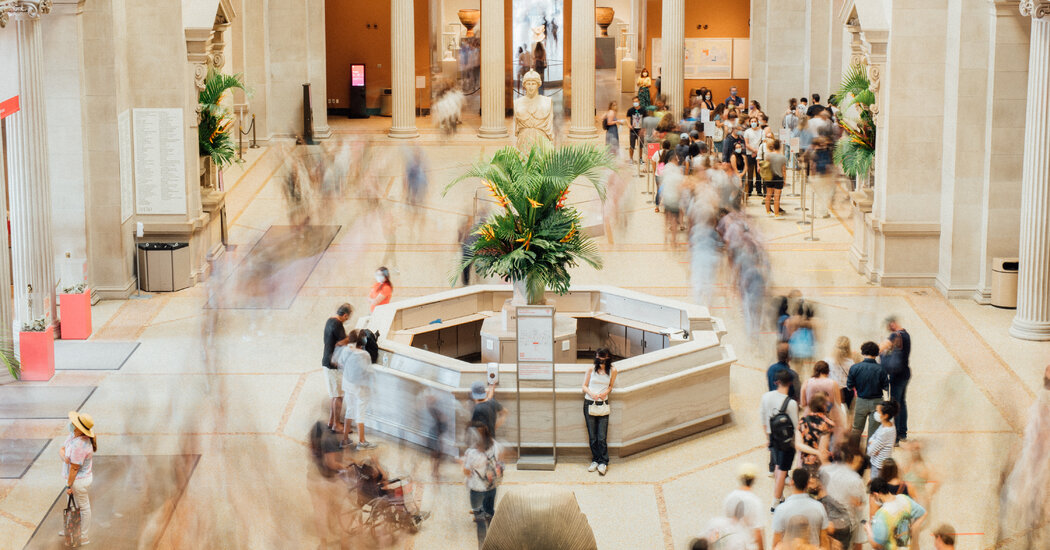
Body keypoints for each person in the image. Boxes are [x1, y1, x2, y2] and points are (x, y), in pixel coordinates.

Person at [820, 439, 868, 550]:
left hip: (827, 520)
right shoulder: (855, 479)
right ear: (851, 459)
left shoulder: (825, 470)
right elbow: (860, 505)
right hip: (845, 523)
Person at [463, 424, 505, 549]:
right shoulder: (497, 446)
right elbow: (501, 463)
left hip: (477, 490)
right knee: (490, 514)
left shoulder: (472, 453)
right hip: (492, 487)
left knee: (480, 520)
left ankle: (482, 546)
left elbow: (467, 472)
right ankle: (494, 544)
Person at [762, 369, 800, 510]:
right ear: (790, 383)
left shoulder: (766, 397)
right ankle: (775, 502)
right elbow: (796, 426)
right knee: (783, 470)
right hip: (786, 441)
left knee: (778, 466)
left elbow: (763, 419)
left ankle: (780, 496)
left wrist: (767, 437)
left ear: (776, 382)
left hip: (773, 437)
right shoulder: (791, 403)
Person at [59, 412, 97, 544]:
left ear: (80, 428)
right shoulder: (73, 436)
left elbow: (74, 469)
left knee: (83, 507)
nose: (72, 424)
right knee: (73, 504)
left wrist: (69, 486)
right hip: (75, 479)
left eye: (74, 423)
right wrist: (65, 458)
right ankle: (71, 529)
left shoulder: (80, 445)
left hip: (78, 481)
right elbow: (62, 449)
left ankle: (84, 536)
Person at [338, 329, 377, 449]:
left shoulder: (346, 350)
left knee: (350, 409)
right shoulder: (364, 354)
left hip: (347, 384)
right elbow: (368, 371)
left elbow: (340, 363)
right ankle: (362, 442)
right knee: (360, 413)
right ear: (362, 342)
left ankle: (344, 440)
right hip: (360, 387)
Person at [771, 469, 831, 547]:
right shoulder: (819, 507)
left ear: (792, 482)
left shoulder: (781, 509)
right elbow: (824, 540)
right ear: (807, 484)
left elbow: (776, 541)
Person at [582, 348, 617, 475]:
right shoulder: (591, 369)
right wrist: (592, 394)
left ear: (608, 358)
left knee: (602, 436)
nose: (600, 361)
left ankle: (603, 462)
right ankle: (595, 460)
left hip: (603, 404)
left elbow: (610, 386)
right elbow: (584, 386)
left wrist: (605, 393)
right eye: (599, 358)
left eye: (603, 359)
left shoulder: (612, 370)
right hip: (589, 403)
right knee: (593, 436)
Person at [866, 477, 926, 550]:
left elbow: (876, 545)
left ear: (876, 494)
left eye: (873, 497)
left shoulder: (882, 514)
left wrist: (868, 529)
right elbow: (923, 513)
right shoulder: (904, 499)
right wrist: (914, 527)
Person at [880, 316, 911, 443]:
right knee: (902, 403)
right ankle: (903, 432)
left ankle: (895, 437)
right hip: (905, 373)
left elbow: (880, 348)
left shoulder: (895, 335)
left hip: (897, 375)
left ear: (892, 324)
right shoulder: (906, 334)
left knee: (895, 405)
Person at [846, 341, 887, 438]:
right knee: (873, 433)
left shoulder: (854, 368)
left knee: (856, 430)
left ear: (863, 353)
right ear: (877, 354)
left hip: (860, 401)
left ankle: (854, 452)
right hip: (877, 403)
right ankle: (869, 453)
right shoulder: (881, 369)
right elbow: (885, 386)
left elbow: (849, 386)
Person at [322, 303, 352, 433]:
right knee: (339, 396)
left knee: (334, 395)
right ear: (345, 315)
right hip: (333, 365)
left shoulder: (330, 320)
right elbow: (341, 342)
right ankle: (336, 424)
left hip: (327, 362)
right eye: (347, 318)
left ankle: (331, 421)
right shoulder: (338, 324)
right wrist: (351, 337)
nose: (347, 320)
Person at [723, 463, 766, 550]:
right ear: (754, 480)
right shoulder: (755, 501)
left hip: (730, 544)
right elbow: (758, 533)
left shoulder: (729, 497)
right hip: (747, 545)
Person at [867, 400, 898, 479]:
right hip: (878, 463)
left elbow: (870, 451)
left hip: (878, 467)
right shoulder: (886, 424)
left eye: (878, 412)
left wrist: (871, 444)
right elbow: (873, 437)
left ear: (885, 416)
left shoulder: (885, 432)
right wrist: (872, 442)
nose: (876, 414)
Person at [825, 336, 856, 406]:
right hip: (846, 391)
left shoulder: (827, 360)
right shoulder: (850, 362)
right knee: (845, 413)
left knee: (830, 412)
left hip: (831, 390)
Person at [764, 138, 787, 217]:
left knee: (768, 195)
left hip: (769, 177)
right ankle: (776, 214)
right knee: (776, 197)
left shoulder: (768, 156)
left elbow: (766, 166)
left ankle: (768, 212)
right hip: (778, 177)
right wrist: (784, 180)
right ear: (780, 147)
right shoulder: (783, 157)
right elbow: (783, 170)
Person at [743, 117, 764, 197]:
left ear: (757, 122)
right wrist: (754, 151)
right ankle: (750, 190)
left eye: (755, 121)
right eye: (752, 121)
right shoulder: (747, 132)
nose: (753, 122)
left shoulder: (761, 131)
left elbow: (762, 142)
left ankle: (759, 190)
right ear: (749, 122)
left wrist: (758, 152)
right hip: (750, 154)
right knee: (750, 173)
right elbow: (747, 144)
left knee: (759, 173)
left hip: (759, 154)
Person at [626, 96, 644, 164]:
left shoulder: (643, 110)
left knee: (640, 146)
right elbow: (627, 118)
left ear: (639, 102)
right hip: (633, 131)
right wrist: (628, 124)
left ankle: (640, 159)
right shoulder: (630, 110)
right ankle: (631, 158)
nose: (635, 103)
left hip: (640, 131)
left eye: (636, 101)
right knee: (631, 146)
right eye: (633, 102)